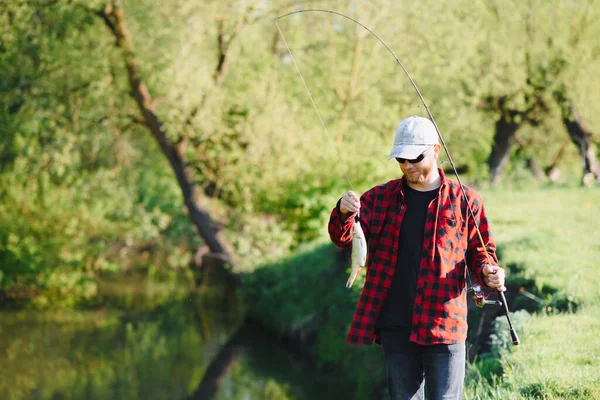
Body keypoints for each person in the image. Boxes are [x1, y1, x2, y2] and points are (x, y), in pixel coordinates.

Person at [328, 116, 506, 400]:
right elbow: (343, 238)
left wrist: (488, 271)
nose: (407, 165)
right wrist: (343, 212)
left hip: (445, 324)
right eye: (401, 158)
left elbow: (481, 252)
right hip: (396, 326)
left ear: (435, 150)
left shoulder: (466, 200)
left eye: (414, 157)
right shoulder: (378, 198)